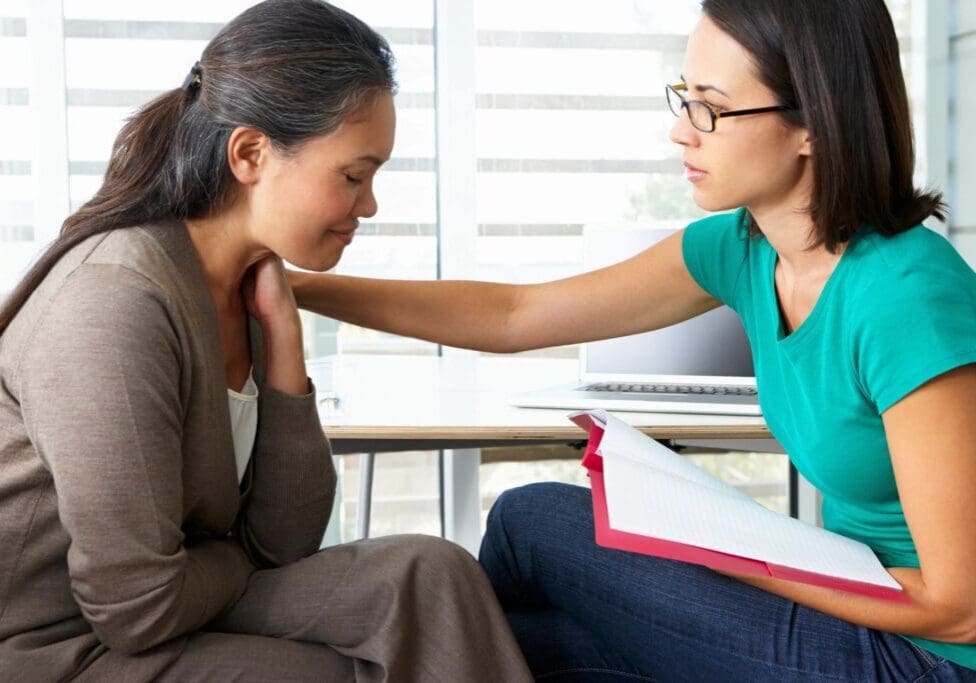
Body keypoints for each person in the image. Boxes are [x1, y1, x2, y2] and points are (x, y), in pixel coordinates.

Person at [287, 0, 976, 680]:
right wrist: (300, 289)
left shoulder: (906, 297)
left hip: (929, 658)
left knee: (533, 520)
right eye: (683, 97)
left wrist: (729, 555)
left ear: (813, 126)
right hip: (858, 621)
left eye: (710, 105)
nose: (682, 131)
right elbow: (516, 315)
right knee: (526, 648)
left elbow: (959, 607)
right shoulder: (744, 250)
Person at [0, 1, 534, 681]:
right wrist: (238, 552)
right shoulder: (114, 301)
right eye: (352, 175)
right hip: (59, 647)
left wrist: (284, 340)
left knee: (432, 573)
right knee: (333, 671)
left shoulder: (246, 288)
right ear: (250, 153)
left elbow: (284, 539)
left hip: (176, 603)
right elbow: (134, 607)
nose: (368, 205)